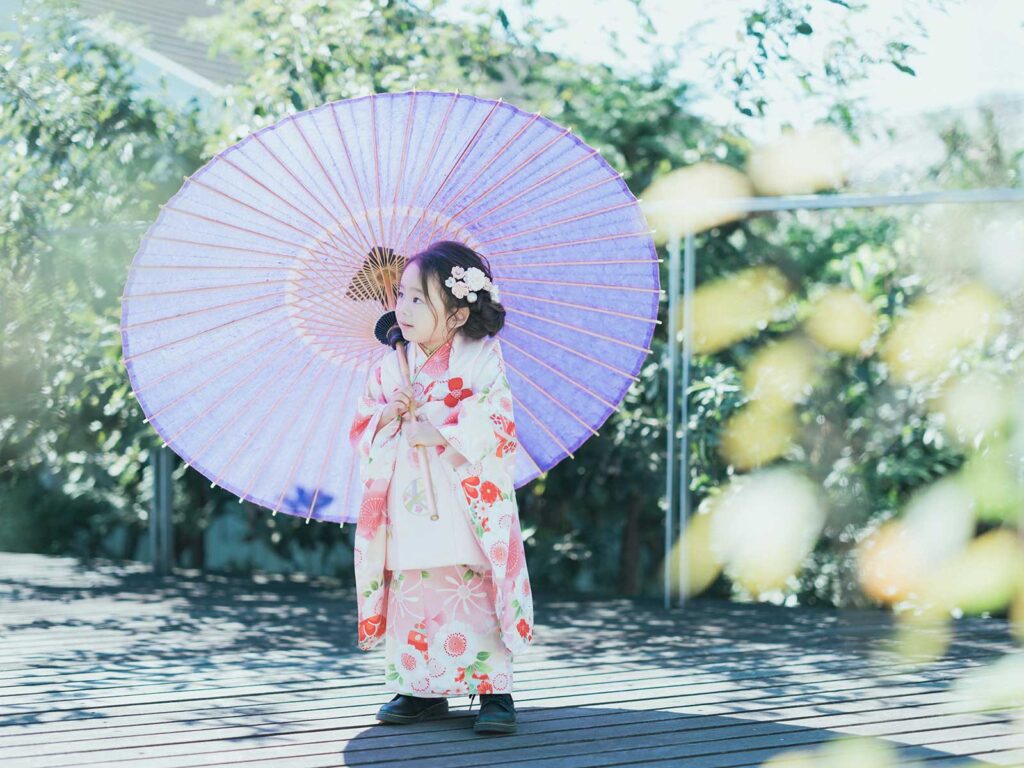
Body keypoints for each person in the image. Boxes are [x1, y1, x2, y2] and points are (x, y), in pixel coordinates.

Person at [348, 240, 535, 735]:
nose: (402, 308)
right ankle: (419, 688)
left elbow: (497, 421)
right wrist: (389, 412)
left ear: (455, 315)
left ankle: (493, 688)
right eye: (402, 296)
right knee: (415, 590)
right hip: (407, 501)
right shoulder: (390, 367)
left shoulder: (480, 358)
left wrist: (442, 430)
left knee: (471, 585)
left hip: (464, 497)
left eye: (418, 299)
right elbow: (363, 425)